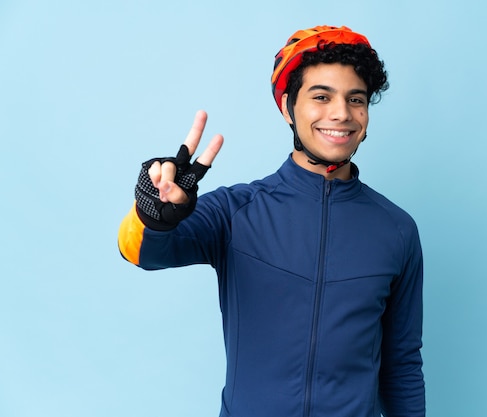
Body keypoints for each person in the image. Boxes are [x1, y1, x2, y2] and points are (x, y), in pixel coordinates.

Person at [118, 25, 425, 417]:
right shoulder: (236, 211)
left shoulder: (397, 230)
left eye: (356, 99)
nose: (341, 113)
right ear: (287, 108)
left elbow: (401, 364)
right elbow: (141, 251)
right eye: (321, 97)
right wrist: (154, 212)